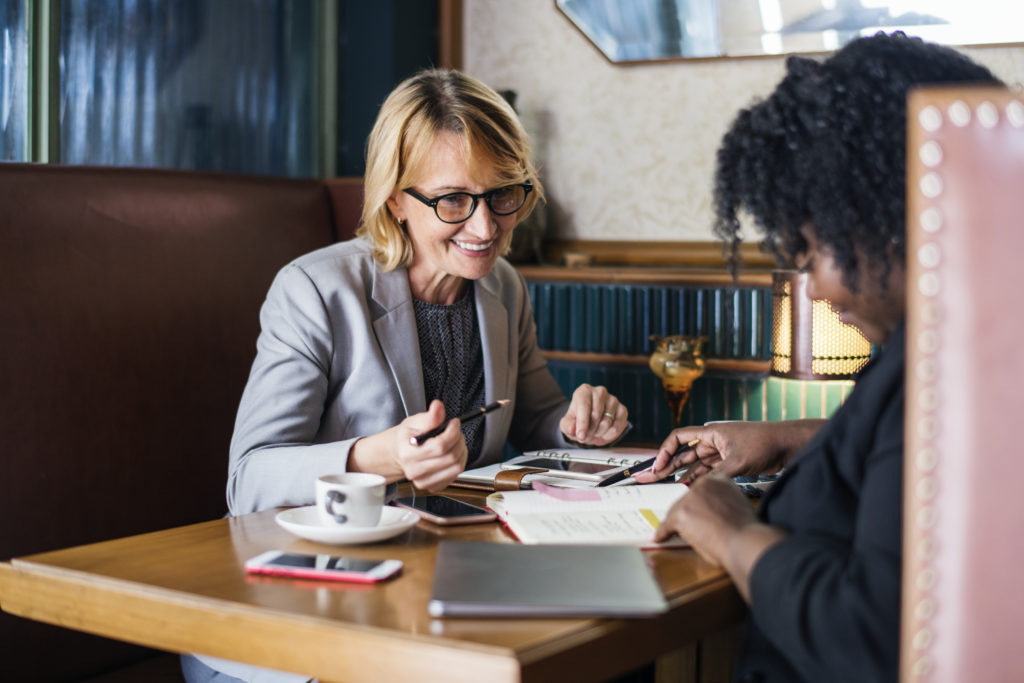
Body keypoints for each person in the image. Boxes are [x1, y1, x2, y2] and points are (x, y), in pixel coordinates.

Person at [182, 68, 631, 683]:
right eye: (453, 201)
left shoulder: (502, 285)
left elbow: (536, 417)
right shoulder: (315, 290)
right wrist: (379, 457)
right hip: (298, 618)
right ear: (396, 197)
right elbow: (248, 481)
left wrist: (580, 423)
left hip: (441, 592)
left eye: (504, 194)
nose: (485, 227)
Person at [633, 33, 1003, 682]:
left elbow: (871, 637)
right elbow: (912, 463)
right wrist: (787, 437)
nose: (822, 291)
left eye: (808, 255)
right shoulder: (967, 346)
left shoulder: (939, 371)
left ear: (878, 216)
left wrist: (733, 533)